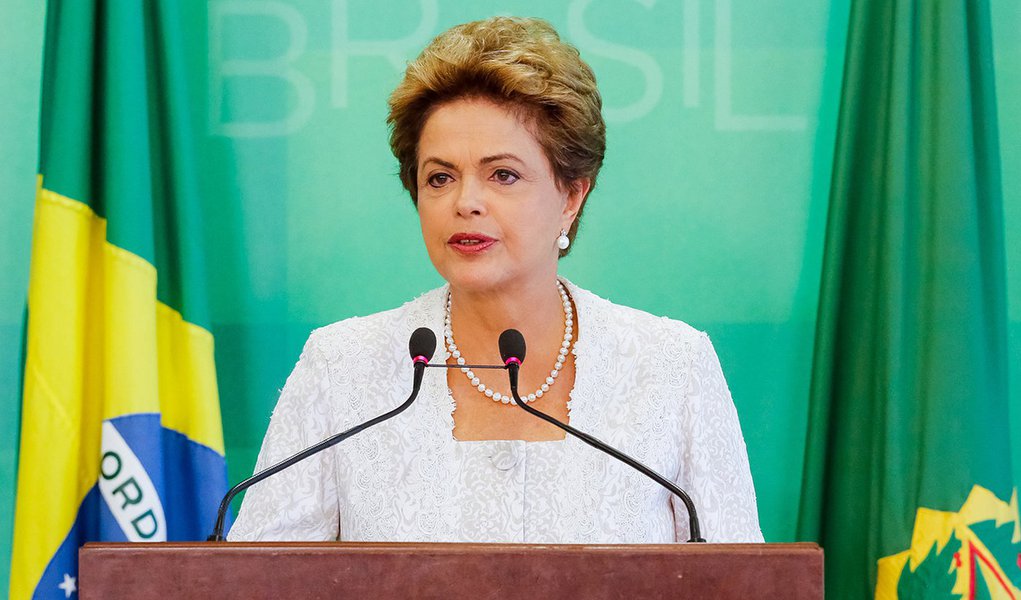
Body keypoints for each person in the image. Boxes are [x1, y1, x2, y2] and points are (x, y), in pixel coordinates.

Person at [228, 16, 762, 544]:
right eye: (440, 177)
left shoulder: (671, 368)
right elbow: (255, 581)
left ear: (572, 197)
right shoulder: (341, 367)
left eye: (502, 174)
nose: (466, 203)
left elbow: (742, 582)